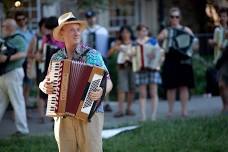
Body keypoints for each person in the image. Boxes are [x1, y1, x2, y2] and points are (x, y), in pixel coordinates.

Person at [39, 12, 113, 152]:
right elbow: (45, 81)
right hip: (63, 116)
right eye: (72, 29)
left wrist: (102, 91)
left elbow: (108, 81)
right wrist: (44, 86)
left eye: (78, 29)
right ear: (62, 33)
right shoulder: (56, 57)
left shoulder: (92, 55)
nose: (76, 33)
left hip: (90, 114)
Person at [157, 7, 195, 118]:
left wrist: (190, 49)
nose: (174, 19)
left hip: (183, 60)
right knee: (171, 87)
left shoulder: (186, 29)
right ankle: (170, 111)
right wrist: (161, 38)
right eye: (172, 17)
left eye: (177, 17)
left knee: (184, 86)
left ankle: (184, 111)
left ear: (180, 18)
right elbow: (157, 41)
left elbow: (194, 42)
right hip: (170, 60)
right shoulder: (166, 30)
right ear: (169, 18)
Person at [0, 18, 29, 136]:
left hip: (14, 73)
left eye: (3, 26)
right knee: (1, 102)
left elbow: (23, 53)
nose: (2, 28)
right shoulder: (4, 40)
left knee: (17, 102)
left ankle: (22, 130)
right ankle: (22, 130)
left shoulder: (18, 38)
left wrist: (6, 58)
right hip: (4, 74)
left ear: (9, 27)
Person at [82, 10, 112, 112]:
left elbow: (107, 45)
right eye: (89, 18)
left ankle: (106, 102)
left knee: (105, 79)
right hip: (88, 59)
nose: (91, 19)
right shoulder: (84, 32)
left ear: (96, 17)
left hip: (102, 58)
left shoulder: (102, 31)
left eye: (92, 17)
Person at [134, 24, 164, 121]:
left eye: (145, 31)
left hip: (152, 68)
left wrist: (155, 57)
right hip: (141, 69)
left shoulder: (152, 41)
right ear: (138, 32)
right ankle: (143, 116)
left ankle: (153, 116)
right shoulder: (135, 43)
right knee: (142, 94)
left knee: (153, 92)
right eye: (142, 31)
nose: (144, 32)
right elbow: (132, 56)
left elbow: (159, 53)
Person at [26, 17, 50, 123]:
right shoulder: (36, 38)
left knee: (50, 91)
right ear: (41, 27)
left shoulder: (51, 38)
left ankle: (51, 115)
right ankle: (41, 116)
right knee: (41, 92)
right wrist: (36, 56)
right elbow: (28, 53)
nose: (48, 29)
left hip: (50, 68)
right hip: (39, 68)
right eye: (45, 26)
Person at [109, 25, 135, 118]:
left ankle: (129, 108)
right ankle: (120, 110)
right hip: (121, 67)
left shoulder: (134, 43)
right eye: (123, 32)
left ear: (130, 33)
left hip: (133, 67)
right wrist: (116, 47)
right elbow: (109, 54)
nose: (125, 34)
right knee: (121, 89)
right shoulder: (118, 43)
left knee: (132, 88)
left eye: (127, 32)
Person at [15, 11, 34, 109]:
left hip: (29, 61)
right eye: (19, 20)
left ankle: (24, 109)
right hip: (19, 61)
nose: (21, 21)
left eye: (23, 19)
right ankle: (17, 111)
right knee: (19, 87)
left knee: (28, 86)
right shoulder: (15, 33)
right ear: (16, 21)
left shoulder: (31, 32)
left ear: (26, 19)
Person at [207, 8, 228, 97]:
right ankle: (224, 106)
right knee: (221, 85)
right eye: (221, 16)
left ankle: (226, 107)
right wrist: (212, 42)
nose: (222, 18)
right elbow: (216, 43)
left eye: (224, 16)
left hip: (226, 60)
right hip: (219, 59)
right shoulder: (217, 30)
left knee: (223, 84)